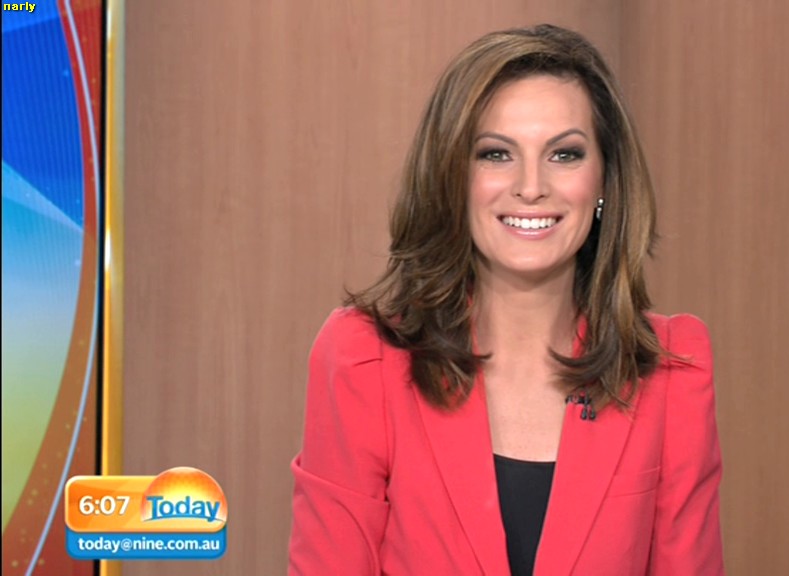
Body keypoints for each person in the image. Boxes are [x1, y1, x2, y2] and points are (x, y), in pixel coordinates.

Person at [288, 23, 724, 576]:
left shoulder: (672, 369)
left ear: (605, 181)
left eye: (564, 154)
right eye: (496, 154)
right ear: (452, 176)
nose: (531, 186)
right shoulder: (362, 359)